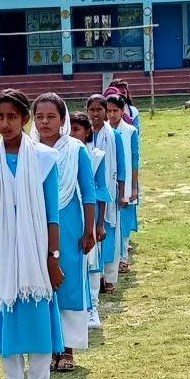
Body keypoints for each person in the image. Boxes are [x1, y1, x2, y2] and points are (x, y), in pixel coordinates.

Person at [0, 90, 64, 379]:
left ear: (25, 119)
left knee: (38, 330)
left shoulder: (45, 158)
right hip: (1, 256)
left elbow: (52, 215)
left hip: (36, 258)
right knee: (9, 334)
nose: (5, 123)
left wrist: (52, 258)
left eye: (12, 116)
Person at [31, 94, 96, 372]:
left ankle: (67, 348)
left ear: (63, 120)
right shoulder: (28, 151)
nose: (45, 122)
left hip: (69, 223)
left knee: (67, 282)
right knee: (41, 280)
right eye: (39, 117)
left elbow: (89, 192)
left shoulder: (76, 150)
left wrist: (90, 229)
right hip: (36, 222)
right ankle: (49, 346)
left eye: (51, 117)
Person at [70, 112, 111, 331]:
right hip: (70, 214)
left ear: (87, 132)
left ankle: (92, 307)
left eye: (77, 130)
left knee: (93, 262)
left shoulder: (96, 156)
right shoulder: (62, 154)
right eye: (69, 130)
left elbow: (100, 190)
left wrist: (100, 223)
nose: (72, 134)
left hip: (90, 214)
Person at [89, 95, 127, 294]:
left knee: (110, 234)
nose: (95, 114)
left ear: (105, 112)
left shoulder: (114, 136)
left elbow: (121, 167)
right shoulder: (83, 134)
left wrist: (122, 193)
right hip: (90, 192)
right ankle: (97, 276)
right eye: (92, 110)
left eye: (99, 110)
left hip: (110, 193)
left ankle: (110, 278)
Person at [105, 93, 141, 276]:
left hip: (126, 182)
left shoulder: (130, 131)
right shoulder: (100, 132)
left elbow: (134, 160)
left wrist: (133, 187)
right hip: (107, 181)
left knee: (124, 223)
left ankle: (123, 258)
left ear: (122, 111)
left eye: (115, 111)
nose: (111, 115)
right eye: (109, 111)